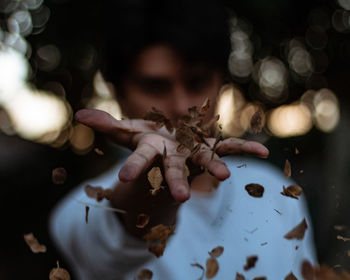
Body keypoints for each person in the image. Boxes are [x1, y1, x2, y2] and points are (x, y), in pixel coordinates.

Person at [50, 0, 317, 279]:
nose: (180, 106)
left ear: (221, 84)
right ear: (118, 93)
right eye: (155, 87)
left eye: (196, 83)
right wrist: (156, 186)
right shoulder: (83, 210)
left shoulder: (275, 193)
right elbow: (118, 239)